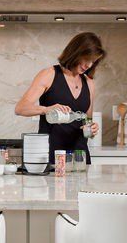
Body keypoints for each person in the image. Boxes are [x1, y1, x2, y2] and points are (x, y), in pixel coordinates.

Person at [15, 32, 104, 164]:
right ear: (75, 52)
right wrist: (47, 109)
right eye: (87, 59)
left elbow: (87, 120)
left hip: (79, 157)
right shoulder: (49, 74)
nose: (88, 65)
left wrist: (92, 129)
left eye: (93, 61)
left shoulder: (89, 82)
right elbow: (20, 108)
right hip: (51, 155)